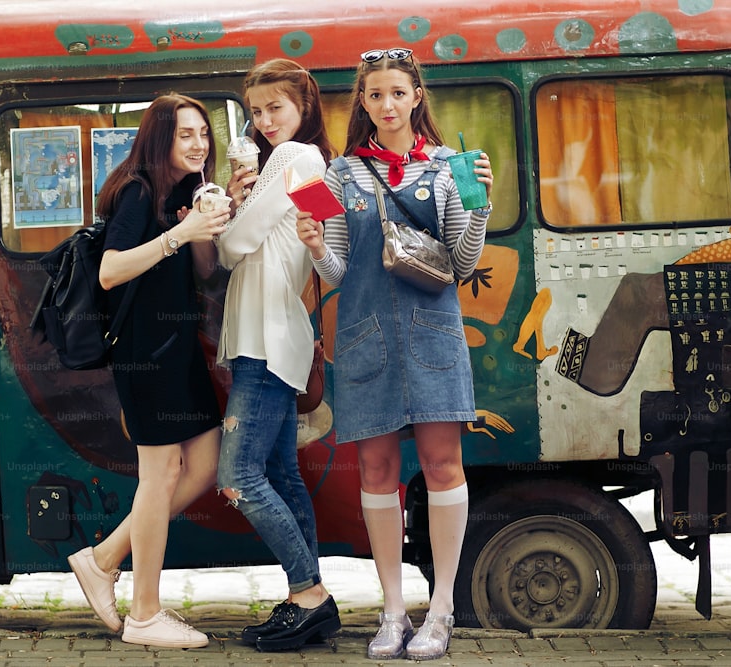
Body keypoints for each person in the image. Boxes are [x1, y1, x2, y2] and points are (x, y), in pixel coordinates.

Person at [296, 48, 492, 661]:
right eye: (374, 94)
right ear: (363, 101)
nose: (386, 105)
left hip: (433, 333)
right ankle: (392, 611)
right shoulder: (336, 177)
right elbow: (334, 271)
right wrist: (310, 244)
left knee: (442, 468)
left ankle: (441, 610)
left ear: (416, 99)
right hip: (364, 336)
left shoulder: (450, 166)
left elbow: (461, 265)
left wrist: (479, 205)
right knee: (378, 473)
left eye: (397, 93)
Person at [67, 94, 230, 649]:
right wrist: (179, 235)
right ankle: (144, 614)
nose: (198, 144)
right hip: (145, 353)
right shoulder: (137, 190)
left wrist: (206, 226)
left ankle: (104, 557)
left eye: (204, 135)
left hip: (179, 350)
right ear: (160, 138)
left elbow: (202, 272)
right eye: (185, 134)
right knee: (159, 475)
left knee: (204, 464)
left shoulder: (182, 192)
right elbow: (112, 272)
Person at [213, 59, 341, 652]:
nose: (265, 121)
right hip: (276, 333)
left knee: (238, 475)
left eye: (276, 109)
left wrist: (233, 216)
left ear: (303, 108)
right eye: (256, 111)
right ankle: (305, 601)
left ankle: (310, 594)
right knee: (284, 475)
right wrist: (246, 198)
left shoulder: (294, 159)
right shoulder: (307, 164)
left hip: (265, 339)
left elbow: (232, 248)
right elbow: (326, 247)